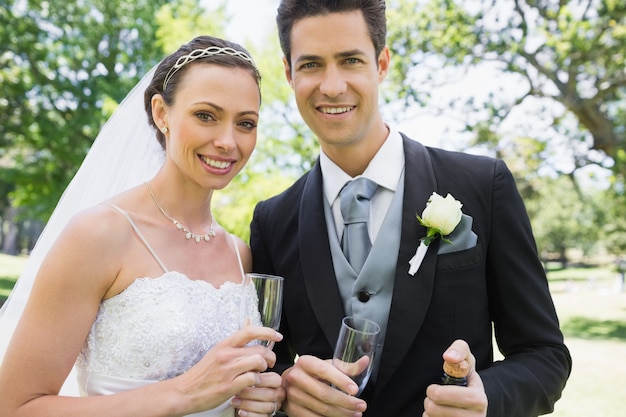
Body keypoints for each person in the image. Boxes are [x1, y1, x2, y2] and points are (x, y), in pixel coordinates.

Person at [249, 1, 572, 416]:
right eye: (311, 65)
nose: (331, 86)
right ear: (289, 73)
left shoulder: (483, 185)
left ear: (381, 63)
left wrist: (487, 398)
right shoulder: (272, 221)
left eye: (350, 60)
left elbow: (545, 355)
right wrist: (285, 391)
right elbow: (267, 369)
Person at [0, 35, 284, 417]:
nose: (227, 141)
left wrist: (255, 399)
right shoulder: (100, 234)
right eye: (205, 115)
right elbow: (16, 407)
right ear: (161, 113)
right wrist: (182, 394)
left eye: (245, 123)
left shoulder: (241, 253)